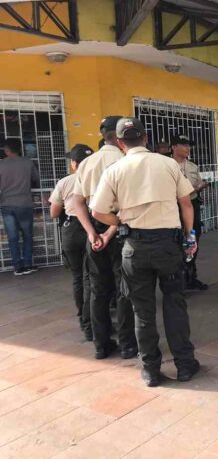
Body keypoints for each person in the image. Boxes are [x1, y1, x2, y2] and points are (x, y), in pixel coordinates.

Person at [91, 117, 199, 387]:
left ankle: (150, 369)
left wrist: (121, 223)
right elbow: (186, 203)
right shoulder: (168, 164)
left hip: (135, 249)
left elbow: (98, 211)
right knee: (175, 304)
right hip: (168, 245)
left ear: (119, 143)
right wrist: (189, 235)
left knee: (143, 311)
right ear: (146, 138)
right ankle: (185, 364)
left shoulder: (114, 170)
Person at [73, 116, 136, 360]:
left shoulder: (87, 163)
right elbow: (127, 206)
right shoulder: (126, 161)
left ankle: (101, 344)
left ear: (103, 134)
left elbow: (77, 202)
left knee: (99, 291)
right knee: (124, 289)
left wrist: (92, 232)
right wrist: (111, 232)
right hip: (120, 229)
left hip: (94, 229)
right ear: (121, 138)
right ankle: (128, 344)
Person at [50, 144, 94, 340]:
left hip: (72, 230)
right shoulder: (97, 181)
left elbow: (54, 213)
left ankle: (82, 316)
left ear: (75, 164)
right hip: (93, 228)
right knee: (94, 277)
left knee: (78, 277)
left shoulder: (65, 182)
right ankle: (93, 316)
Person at [170, 134, 209, 290]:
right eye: (184, 145)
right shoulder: (167, 165)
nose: (188, 148)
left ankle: (191, 276)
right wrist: (194, 188)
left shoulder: (193, 166)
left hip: (192, 205)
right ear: (173, 147)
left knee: (193, 239)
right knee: (176, 242)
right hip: (175, 207)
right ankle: (178, 279)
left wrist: (200, 187)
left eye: (189, 145)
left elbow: (198, 182)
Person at [0, 138, 40, 276]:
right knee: (28, 235)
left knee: (13, 237)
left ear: (7, 150)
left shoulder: (1, 164)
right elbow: (36, 179)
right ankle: (28, 264)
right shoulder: (28, 162)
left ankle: (17, 266)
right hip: (24, 204)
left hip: (6, 205)